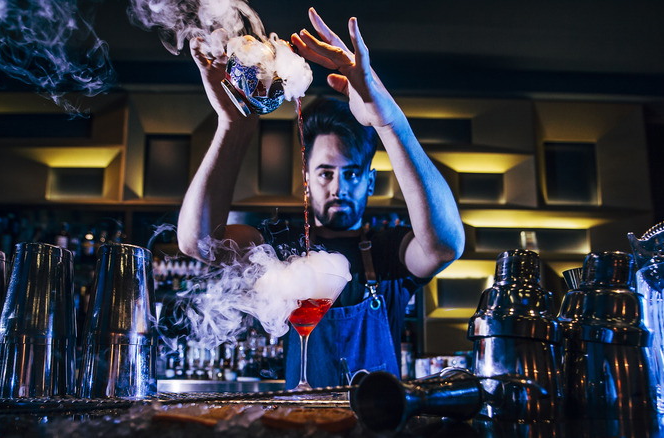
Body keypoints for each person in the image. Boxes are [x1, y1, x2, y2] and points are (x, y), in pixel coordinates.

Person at [177, 7, 465, 387]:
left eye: (352, 173)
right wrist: (232, 125)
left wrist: (389, 121)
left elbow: (446, 245)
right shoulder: (281, 248)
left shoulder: (389, 252)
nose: (338, 186)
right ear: (307, 179)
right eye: (326, 173)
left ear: (370, 181)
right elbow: (198, 242)